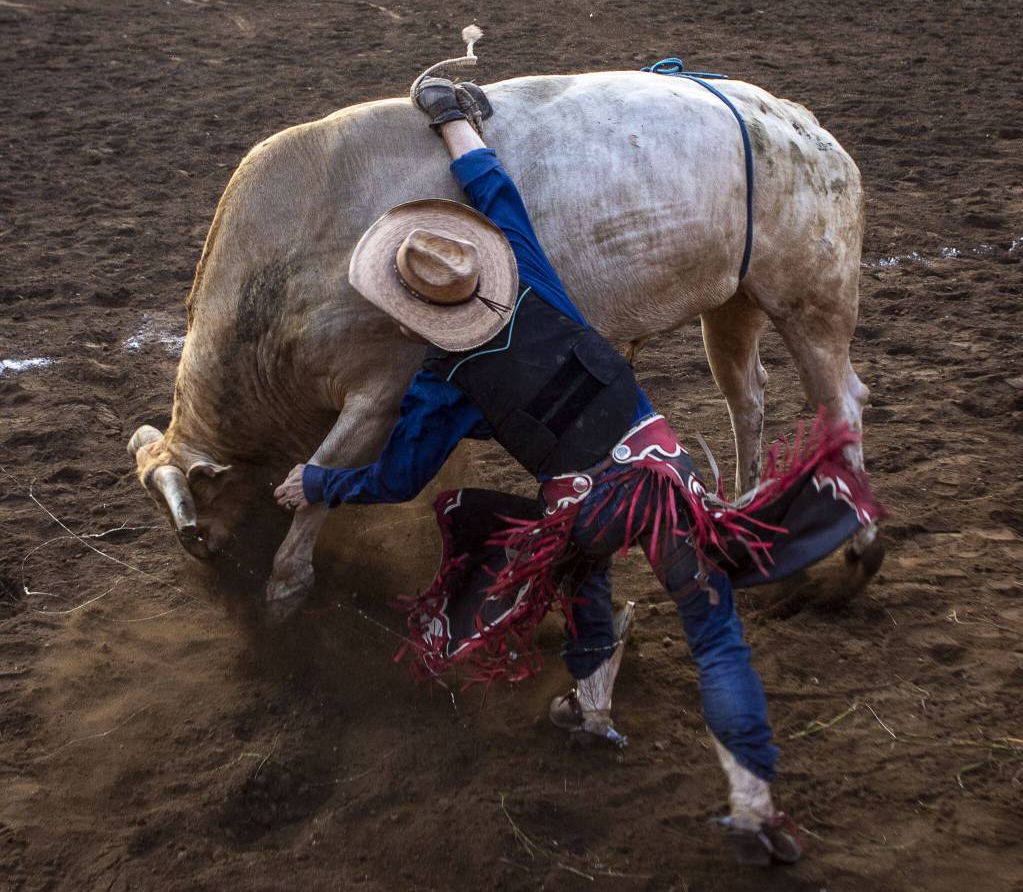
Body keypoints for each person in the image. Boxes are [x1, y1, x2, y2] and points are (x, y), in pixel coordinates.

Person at [275, 77, 880, 865]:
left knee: (578, 565)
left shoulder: (440, 384)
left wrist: (315, 483)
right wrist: (453, 117)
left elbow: (397, 478)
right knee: (717, 639)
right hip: (661, 482)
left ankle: (593, 709)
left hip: (580, 509)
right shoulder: (530, 282)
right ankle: (754, 806)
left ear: (405, 309)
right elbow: (492, 186)